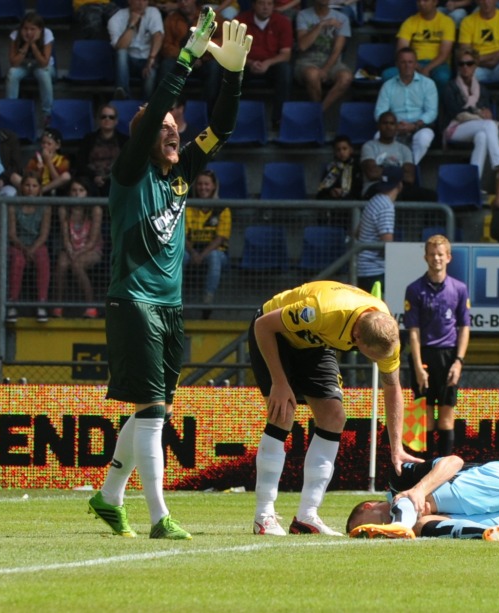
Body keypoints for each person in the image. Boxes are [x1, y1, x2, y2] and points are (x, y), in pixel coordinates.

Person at [87, 11, 251, 540]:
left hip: (169, 305)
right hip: (132, 300)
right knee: (153, 409)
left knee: (152, 408)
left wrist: (234, 72)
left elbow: (221, 128)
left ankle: (110, 495)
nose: (174, 133)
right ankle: (160, 516)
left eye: (176, 129)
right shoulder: (129, 171)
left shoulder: (181, 174)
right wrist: (183, 59)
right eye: (163, 129)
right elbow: (158, 105)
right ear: (142, 138)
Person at [249, 280, 421, 536]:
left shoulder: (385, 332)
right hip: (275, 334)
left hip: (314, 342)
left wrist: (397, 447)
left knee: (333, 416)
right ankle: (263, 515)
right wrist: (279, 381)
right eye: (370, 356)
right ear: (356, 337)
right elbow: (262, 327)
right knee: (283, 412)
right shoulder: (321, 310)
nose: (376, 362)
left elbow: (392, 386)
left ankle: (307, 516)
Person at [346, 455, 499, 540]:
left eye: (378, 522)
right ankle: (488, 533)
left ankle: (400, 526)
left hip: (497, 482)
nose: (381, 529)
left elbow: (454, 461)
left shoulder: (398, 479)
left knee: (406, 497)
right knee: (421, 525)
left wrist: (419, 490)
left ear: (369, 506)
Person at [403, 235, 470, 457]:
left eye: (440, 254)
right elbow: (413, 331)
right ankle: (425, 467)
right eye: (432, 254)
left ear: (448, 257)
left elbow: (464, 328)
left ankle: (442, 469)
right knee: (424, 416)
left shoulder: (459, 289)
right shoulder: (414, 289)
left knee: (446, 417)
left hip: (449, 356)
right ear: (426, 257)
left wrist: (458, 362)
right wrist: (419, 367)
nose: (436, 258)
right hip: (424, 356)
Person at [442, 47, 499, 180]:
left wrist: (484, 114)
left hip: (475, 127)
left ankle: (474, 181)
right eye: (461, 63)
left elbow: (486, 112)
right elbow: (458, 114)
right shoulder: (450, 87)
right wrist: (479, 115)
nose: (465, 67)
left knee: (482, 136)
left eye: (469, 63)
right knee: (488, 126)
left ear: (476, 65)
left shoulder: (482, 89)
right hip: (454, 128)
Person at [374, 46, 438, 166]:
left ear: (416, 64)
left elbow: (431, 112)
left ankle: (408, 167)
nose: (407, 65)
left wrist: (414, 125)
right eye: (403, 62)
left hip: (419, 127)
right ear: (397, 64)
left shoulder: (428, 84)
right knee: (378, 136)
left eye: (410, 62)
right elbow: (379, 112)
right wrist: (395, 125)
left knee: (425, 138)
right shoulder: (388, 86)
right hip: (395, 127)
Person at [52, 177, 103, 319]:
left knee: (77, 265)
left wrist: (78, 253)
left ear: (87, 192)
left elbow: (93, 241)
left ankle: (91, 307)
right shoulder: (64, 209)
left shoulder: (95, 209)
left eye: (81, 190)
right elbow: (65, 237)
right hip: (70, 247)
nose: (77, 194)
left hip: (90, 249)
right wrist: (70, 250)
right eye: (74, 190)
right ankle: (58, 306)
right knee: (62, 264)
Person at [237, 0, 293, 129]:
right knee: (231, 71)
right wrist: (250, 63)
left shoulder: (283, 22)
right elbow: (233, 51)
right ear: (254, 5)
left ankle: (278, 120)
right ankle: (231, 120)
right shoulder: (240, 21)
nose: (265, 8)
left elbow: (286, 54)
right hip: (245, 64)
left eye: (269, 4)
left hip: (271, 65)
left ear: (274, 6)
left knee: (285, 70)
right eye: (261, 4)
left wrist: (268, 63)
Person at [183, 168, 230, 319]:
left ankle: (207, 301)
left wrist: (201, 255)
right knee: (178, 256)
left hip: (216, 253)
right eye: (200, 184)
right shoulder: (188, 207)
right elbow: (181, 236)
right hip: (192, 251)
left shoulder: (222, 209)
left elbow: (221, 238)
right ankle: (175, 300)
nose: (203, 187)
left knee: (215, 256)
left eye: (207, 184)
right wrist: (194, 254)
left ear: (214, 186)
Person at [382, 0, 455, 94]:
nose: (421, 3)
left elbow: (444, 54)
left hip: (437, 65)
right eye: (418, 1)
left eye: (425, 1)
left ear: (435, 2)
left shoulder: (447, 22)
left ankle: (437, 106)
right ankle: (400, 106)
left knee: (442, 77)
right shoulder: (409, 22)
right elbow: (401, 50)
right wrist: (416, 66)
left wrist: (427, 69)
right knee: (387, 75)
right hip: (413, 63)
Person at [360, 111, 436, 202]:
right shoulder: (369, 146)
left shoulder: (404, 149)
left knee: (431, 196)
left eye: (392, 124)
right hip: (375, 187)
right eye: (385, 123)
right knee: (391, 194)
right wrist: (398, 172)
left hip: (398, 187)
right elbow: (372, 173)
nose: (388, 127)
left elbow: (409, 178)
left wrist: (382, 171)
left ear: (396, 127)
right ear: (378, 126)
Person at [6, 174, 52, 324]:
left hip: (37, 244)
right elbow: (12, 234)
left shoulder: (45, 207)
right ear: (21, 187)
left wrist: (32, 249)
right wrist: (25, 249)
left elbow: (44, 234)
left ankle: (41, 304)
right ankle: (12, 304)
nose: (30, 189)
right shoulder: (13, 205)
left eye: (34, 186)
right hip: (18, 245)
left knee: (43, 258)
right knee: (17, 261)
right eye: (27, 185)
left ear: (39, 189)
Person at [158, 0, 221, 109]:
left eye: (187, 0)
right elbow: (166, 47)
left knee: (214, 67)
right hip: (180, 60)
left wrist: (203, 53)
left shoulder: (209, 16)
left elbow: (221, 40)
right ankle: (166, 107)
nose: (183, 3)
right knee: (166, 64)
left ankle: (206, 108)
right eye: (180, 0)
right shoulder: (171, 19)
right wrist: (187, 57)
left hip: (203, 60)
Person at [294, 0, 353, 113]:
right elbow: (303, 46)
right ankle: (317, 111)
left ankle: (319, 112)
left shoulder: (342, 18)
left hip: (332, 63)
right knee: (313, 74)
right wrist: (321, 25)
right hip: (307, 62)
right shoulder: (302, 15)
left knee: (346, 77)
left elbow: (337, 50)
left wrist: (325, 69)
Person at [356, 166, 402, 293]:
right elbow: (387, 244)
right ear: (399, 185)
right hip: (375, 272)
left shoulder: (374, 200)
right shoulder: (386, 206)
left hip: (363, 268)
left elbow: (357, 232)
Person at [107, 0, 164, 100]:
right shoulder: (116, 18)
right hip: (127, 63)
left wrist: (151, 59)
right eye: (137, 0)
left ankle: (145, 106)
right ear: (129, 1)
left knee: (151, 73)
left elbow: (158, 36)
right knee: (121, 52)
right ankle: (123, 94)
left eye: (144, 0)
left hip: (147, 59)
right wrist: (132, 24)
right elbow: (120, 46)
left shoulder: (153, 12)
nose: (141, 3)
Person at [5, 11, 55, 122]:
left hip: (43, 67)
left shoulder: (47, 34)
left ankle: (47, 114)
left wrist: (33, 45)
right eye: (25, 29)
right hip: (23, 66)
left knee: (43, 74)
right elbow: (14, 62)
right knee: (12, 73)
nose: (28, 32)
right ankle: (10, 110)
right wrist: (26, 45)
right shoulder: (15, 35)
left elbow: (44, 63)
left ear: (40, 29)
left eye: (32, 29)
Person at [75, 103, 128, 198]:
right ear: (98, 120)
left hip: (115, 180)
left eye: (111, 117)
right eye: (103, 117)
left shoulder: (124, 141)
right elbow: (80, 162)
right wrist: (94, 176)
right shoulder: (89, 139)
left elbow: (127, 164)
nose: (107, 119)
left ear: (116, 121)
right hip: (91, 179)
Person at [24, 128, 72, 196]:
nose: (45, 146)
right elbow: (29, 179)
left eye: (49, 144)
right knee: (15, 177)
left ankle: (41, 190)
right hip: (34, 188)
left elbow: (58, 180)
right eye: (43, 143)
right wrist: (39, 171)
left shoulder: (63, 160)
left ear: (57, 146)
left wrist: (48, 161)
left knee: (66, 176)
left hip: (54, 189)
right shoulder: (35, 159)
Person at [316, 134, 362, 202]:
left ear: (351, 150)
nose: (341, 152)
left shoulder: (357, 167)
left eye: (344, 149)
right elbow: (322, 190)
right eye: (338, 150)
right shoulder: (332, 168)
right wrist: (331, 191)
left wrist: (343, 192)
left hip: (351, 202)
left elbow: (358, 189)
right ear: (334, 152)